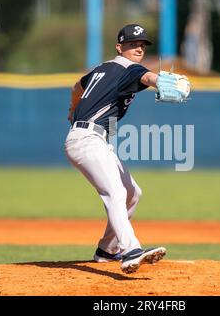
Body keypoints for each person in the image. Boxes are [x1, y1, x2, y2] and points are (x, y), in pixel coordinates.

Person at [65, 24, 166, 274]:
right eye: (133, 44)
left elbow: (77, 87)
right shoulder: (128, 67)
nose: (139, 48)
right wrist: (162, 81)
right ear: (120, 47)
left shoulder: (101, 69)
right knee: (115, 192)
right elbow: (148, 77)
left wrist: (71, 109)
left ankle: (106, 250)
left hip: (93, 139)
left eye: (142, 44)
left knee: (133, 192)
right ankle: (130, 250)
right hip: (87, 139)